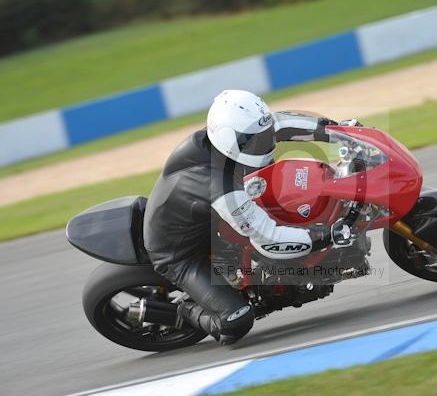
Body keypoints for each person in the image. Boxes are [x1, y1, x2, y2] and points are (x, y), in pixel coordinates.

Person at [143, 90, 356, 345]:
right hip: (180, 252)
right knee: (235, 321)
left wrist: (338, 131)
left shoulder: (234, 135)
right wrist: (324, 237)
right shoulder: (218, 186)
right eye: (255, 140)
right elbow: (268, 238)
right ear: (229, 139)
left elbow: (282, 124)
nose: (265, 143)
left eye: (263, 136)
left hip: (208, 224)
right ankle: (181, 312)